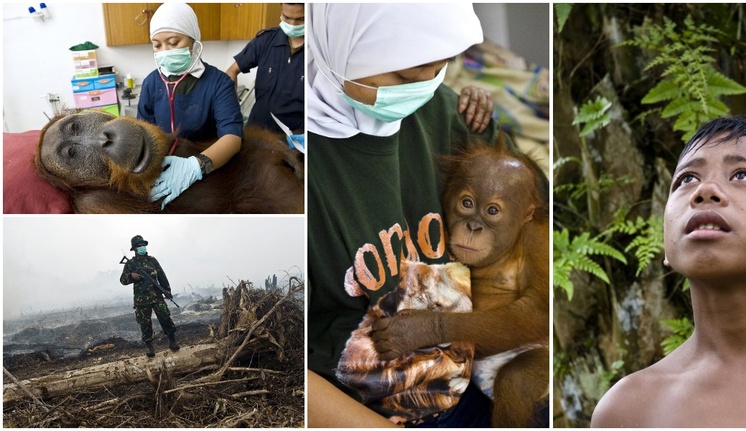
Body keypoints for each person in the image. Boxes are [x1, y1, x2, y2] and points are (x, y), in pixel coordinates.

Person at [307, 4, 505, 427]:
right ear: (340, 46)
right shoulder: (301, 171)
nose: (423, 86)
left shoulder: (448, 111)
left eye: (440, 67)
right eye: (404, 75)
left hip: (471, 381)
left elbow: (523, 216)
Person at [591, 116, 746, 428]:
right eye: (686, 180)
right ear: (667, 248)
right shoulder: (627, 411)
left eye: (742, 174)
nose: (705, 190)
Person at [138, 3, 244, 209]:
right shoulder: (152, 83)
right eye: (157, 46)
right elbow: (143, 131)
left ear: (194, 42)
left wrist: (194, 166)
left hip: (209, 171)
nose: (164, 51)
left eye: (173, 42)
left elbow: (232, 138)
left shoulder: (219, 83)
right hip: (162, 172)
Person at [226, 3, 305, 150]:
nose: (292, 24)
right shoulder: (266, 41)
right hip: (256, 133)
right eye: (287, 18)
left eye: (301, 19)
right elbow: (231, 71)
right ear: (281, 12)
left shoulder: (317, 51)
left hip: (294, 142)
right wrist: (230, 110)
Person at [120, 235, 180, 358]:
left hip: (157, 296)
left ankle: (172, 340)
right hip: (141, 300)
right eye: (139, 246)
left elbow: (161, 276)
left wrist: (166, 290)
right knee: (145, 323)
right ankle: (149, 346)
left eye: (144, 245)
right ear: (135, 249)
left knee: (165, 317)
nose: (142, 247)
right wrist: (132, 276)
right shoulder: (131, 264)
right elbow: (123, 280)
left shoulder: (152, 260)